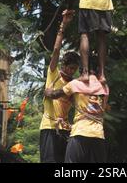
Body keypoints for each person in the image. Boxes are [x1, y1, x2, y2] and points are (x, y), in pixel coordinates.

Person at [44, 59, 109, 163]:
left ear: (83, 70)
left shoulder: (76, 84)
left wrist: (48, 92)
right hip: (99, 135)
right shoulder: (104, 87)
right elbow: (103, 109)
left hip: (80, 133)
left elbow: (55, 95)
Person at [39, 11, 80, 163]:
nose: (72, 71)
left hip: (66, 130)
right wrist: (63, 25)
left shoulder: (74, 85)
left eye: (75, 69)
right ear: (64, 65)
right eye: (70, 68)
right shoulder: (53, 73)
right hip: (49, 127)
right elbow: (56, 50)